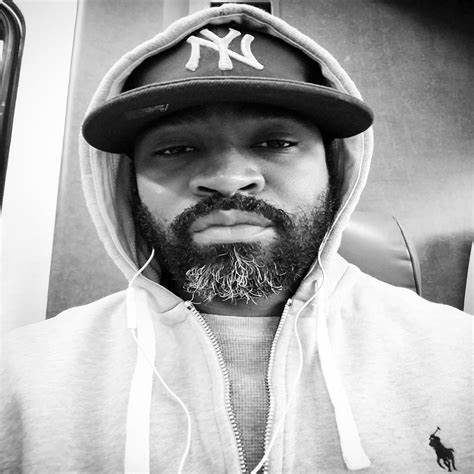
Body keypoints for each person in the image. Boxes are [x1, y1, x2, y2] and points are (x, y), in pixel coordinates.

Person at [0, 4, 471, 473]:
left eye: (276, 143)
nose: (228, 180)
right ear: (127, 183)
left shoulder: (458, 358)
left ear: (336, 169)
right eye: (176, 148)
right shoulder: (21, 380)